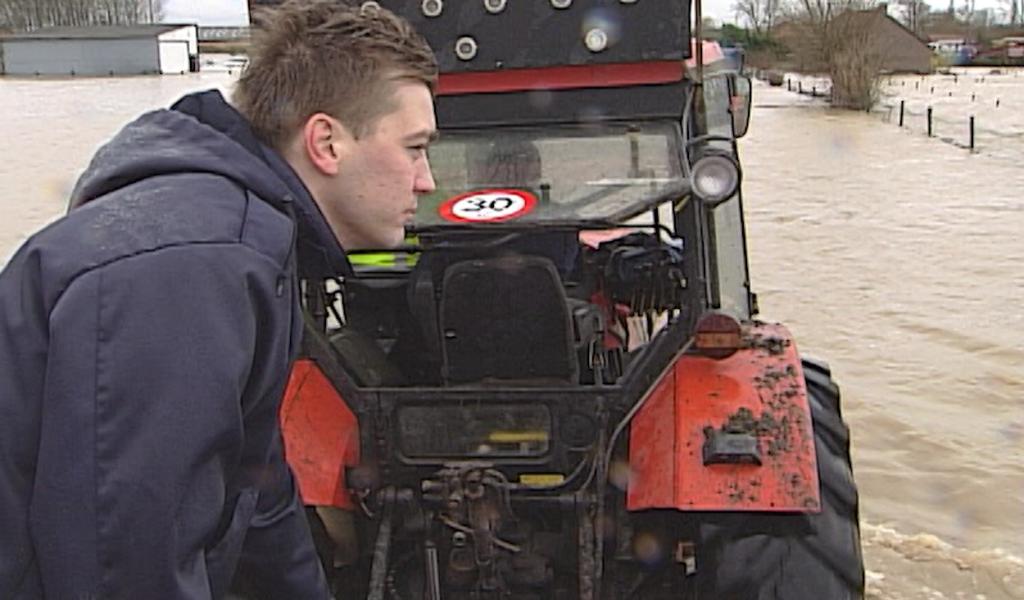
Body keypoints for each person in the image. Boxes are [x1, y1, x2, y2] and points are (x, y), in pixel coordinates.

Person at [0, 1, 437, 598]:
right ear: (327, 144)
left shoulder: (254, 242)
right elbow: (121, 564)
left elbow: (255, 490)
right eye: (414, 147)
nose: (427, 179)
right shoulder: (196, 265)